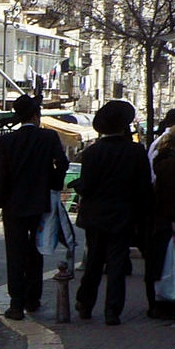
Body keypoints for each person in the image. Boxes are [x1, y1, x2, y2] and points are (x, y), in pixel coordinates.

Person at [0, 93, 68, 320]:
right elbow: (62, 162)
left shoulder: (7, 141)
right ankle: (33, 299)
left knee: (15, 253)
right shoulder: (49, 137)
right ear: (36, 115)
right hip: (39, 203)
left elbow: (1, 175)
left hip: (13, 205)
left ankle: (16, 304)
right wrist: (52, 182)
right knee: (36, 251)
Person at [72, 100, 151, 326]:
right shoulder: (135, 152)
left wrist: (80, 186)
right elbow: (143, 187)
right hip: (123, 216)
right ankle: (112, 311)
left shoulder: (92, 153)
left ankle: (85, 304)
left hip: (95, 217)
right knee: (117, 264)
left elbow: (87, 187)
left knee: (94, 263)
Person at [145, 124, 175, 320]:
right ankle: (162, 303)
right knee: (166, 262)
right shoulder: (174, 163)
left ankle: (156, 303)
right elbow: (172, 193)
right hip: (167, 219)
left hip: (157, 218)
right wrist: (173, 218)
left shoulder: (161, 159)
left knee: (159, 262)